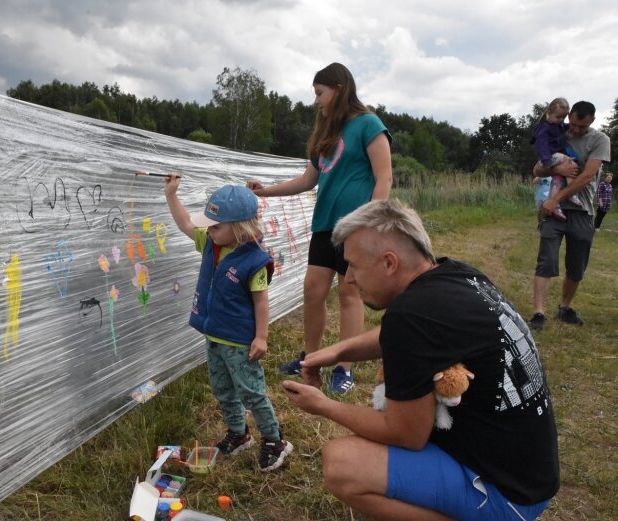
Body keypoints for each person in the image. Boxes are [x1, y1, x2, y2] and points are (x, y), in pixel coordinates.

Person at [282, 199, 560, 521]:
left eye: (353, 266)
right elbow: (395, 332)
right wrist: (341, 351)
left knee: (342, 463)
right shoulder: (456, 275)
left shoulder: (411, 317)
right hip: (530, 476)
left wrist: (323, 405)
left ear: (389, 263)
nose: (348, 279)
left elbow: (405, 434)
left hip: (506, 495)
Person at [246, 62, 392, 394]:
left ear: (338, 89)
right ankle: (310, 359)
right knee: (313, 290)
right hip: (325, 226)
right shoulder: (326, 134)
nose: (316, 101)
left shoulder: (369, 125)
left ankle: (345, 368)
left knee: (348, 293)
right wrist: (265, 191)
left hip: (357, 227)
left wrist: (372, 223)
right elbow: (307, 180)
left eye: (319, 93)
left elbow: (384, 177)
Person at [164, 179, 293, 471]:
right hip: (215, 336)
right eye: (208, 226)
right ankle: (239, 433)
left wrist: (261, 337)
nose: (209, 230)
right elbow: (185, 223)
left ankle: (275, 441)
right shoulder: (211, 244)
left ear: (239, 227)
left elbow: (261, 302)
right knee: (223, 388)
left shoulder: (255, 261)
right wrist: (171, 195)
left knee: (251, 391)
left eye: (215, 226)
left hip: (240, 342)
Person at [528, 101, 611, 331]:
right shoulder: (558, 131)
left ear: (591, 121)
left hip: (583, 212)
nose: (574, 130)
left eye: (580, 126)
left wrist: (556, 197)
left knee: (576, 266)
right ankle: (538, 313)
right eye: (572, 124)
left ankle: (564, 308)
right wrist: (556, 170)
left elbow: (587, 176)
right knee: (546, 260)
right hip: (552, 213)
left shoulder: (600, 140)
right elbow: (537, 168)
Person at [530, 97, 582, 221]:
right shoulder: (544, 128)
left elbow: (565, 127)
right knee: (571, 163)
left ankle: (555, 205)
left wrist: (572, 125)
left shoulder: (559, 126)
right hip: (550, 157)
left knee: (558, 180)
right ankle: (571, 193)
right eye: (558, 117)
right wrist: (546, 161)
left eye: (563, 118)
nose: (561, 120)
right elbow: (542, 145)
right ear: (549, 113)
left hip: (554, 157)